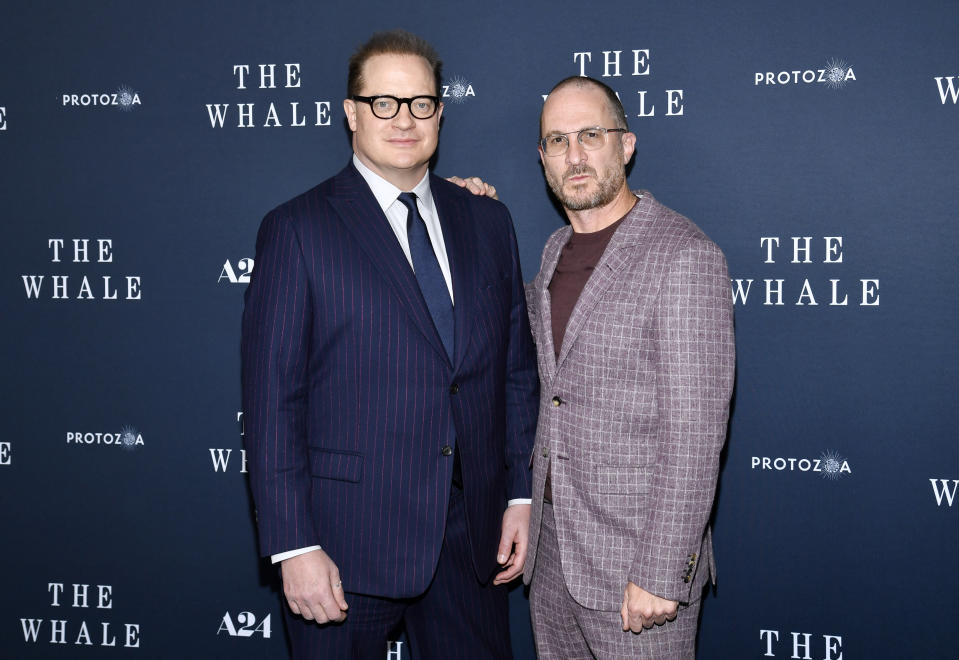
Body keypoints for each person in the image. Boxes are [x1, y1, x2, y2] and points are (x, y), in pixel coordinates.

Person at [240, 29, 538, 660]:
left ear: (440, 112)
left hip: (471, 540)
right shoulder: (297, 229)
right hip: (345, 544)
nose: (404, 119)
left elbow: (514, 371)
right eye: (384, 102)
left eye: (421, 103)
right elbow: (273, 404)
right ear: (351, 112)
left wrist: (519, 495)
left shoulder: (488, 220)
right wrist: (294, 546)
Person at [522, 76, 735, 659]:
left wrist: (663, 570)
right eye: (557, 140)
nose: (575, 155)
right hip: (553, 561)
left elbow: (695, 435)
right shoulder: (552, 251)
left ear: (627, 144)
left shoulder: (684, 256)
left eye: (591, 135)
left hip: (637, 573)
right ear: (542, 158)